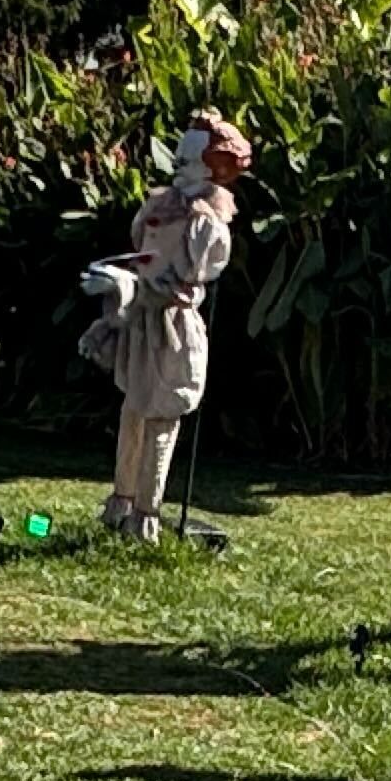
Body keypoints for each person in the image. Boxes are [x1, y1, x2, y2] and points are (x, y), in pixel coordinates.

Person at [82, 110, 249, 538]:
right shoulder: (161, 207)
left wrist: (132, 287)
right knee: (133, 411)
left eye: (190, 162)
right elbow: (143, 260)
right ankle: (120, 501)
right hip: (142, 325)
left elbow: (179, 283)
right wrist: (118, 291)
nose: (180, 169)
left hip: (173, 329)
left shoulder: (206, 224)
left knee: (161, 419)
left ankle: (146, 514)